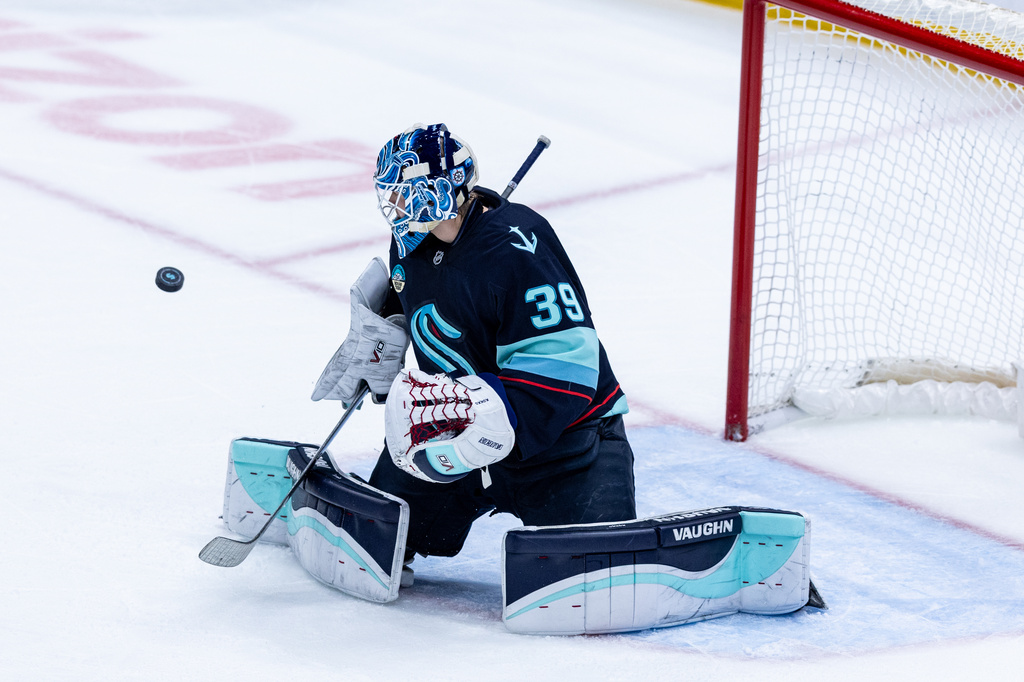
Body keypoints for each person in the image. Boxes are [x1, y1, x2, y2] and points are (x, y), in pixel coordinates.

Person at [314, 123, 636, 571]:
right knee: (373, 546)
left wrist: (488, 410)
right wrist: (388, 326)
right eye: (390, 195)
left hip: (566, 444)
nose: (395, 207)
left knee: (591, 571)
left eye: (406, 194)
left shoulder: (519, 244)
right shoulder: (409, 245)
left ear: (444, 191)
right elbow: (434, 296)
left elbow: (567, 370)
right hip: (457, 425)